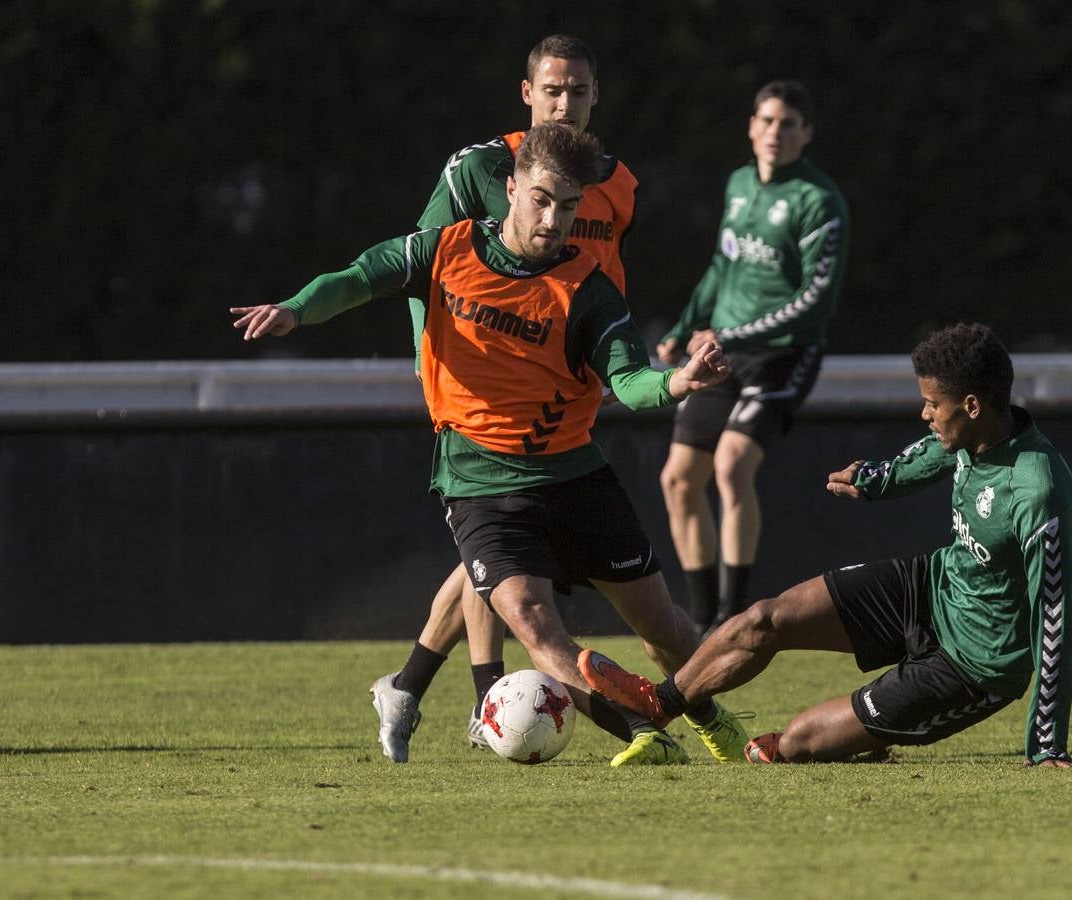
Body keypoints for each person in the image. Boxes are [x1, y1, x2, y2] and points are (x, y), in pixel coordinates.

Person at [231, 123, 750, 767]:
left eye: (568, 206)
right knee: (536, 625)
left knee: (664, 630)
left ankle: (712, 716)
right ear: (510, 189)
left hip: (574, 476)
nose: (553, 218)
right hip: (480, 482)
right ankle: (644, 735)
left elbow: (631, 382)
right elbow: (360, 275)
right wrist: (297, 309)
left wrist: (679, 381)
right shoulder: (444, 249)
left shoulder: (588, 290)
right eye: (541, 199)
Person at [580, 323, 1072, 767]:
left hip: (976, 665)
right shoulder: (972, 437)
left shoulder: (1036, 492)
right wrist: (873, 480)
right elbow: (929, 456)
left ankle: (843, 739)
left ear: (972, 406)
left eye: (932, 403)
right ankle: (660, 704)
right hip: (932, 588)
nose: (924, 414)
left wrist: (1047, 745)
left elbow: (1054, 625)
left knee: (794, 744)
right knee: (765, 618)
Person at [387, 33, 641, 760]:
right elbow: (423, 265)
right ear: (526, 94)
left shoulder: (616, 181)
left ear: (597, 97)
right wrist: (426, 363)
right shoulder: (480, 168)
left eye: (580, 92)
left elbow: (606, 279)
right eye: (553, 90)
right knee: (498, 545)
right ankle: (483, 695)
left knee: (495, 551)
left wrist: (618, 357)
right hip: (481, 386)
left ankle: (410, 684)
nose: (566, 104)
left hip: (568, 386)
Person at [657, 79, 850, 634]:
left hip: (782, 356)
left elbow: (814, 301)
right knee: (678, 479)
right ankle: (699, 619)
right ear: (750, 126)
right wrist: (683, 328)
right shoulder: (740, 184)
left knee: (731, 464)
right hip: (724, 348)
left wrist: (731, 335)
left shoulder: (820, 201)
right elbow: (723, 268)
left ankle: (731, 613)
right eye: (766, 121)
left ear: (806, 133)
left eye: (788, 123)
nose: (775, 132)